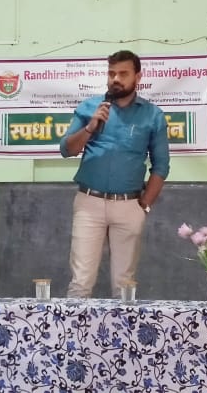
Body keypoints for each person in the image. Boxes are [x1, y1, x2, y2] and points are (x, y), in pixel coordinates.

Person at [58, 50, 170, 298]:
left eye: (123, 73)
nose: (116, 79)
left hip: (129, 205)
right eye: (111, 73)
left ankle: (124, 325)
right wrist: (90, 127)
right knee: (80, 283)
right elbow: (67, 149)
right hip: (89, 204)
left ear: (137, 77)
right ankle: (75, 324)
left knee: (124, 286)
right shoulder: (90, 108)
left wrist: (144, 205)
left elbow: (161, 166)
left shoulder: (152, 115)